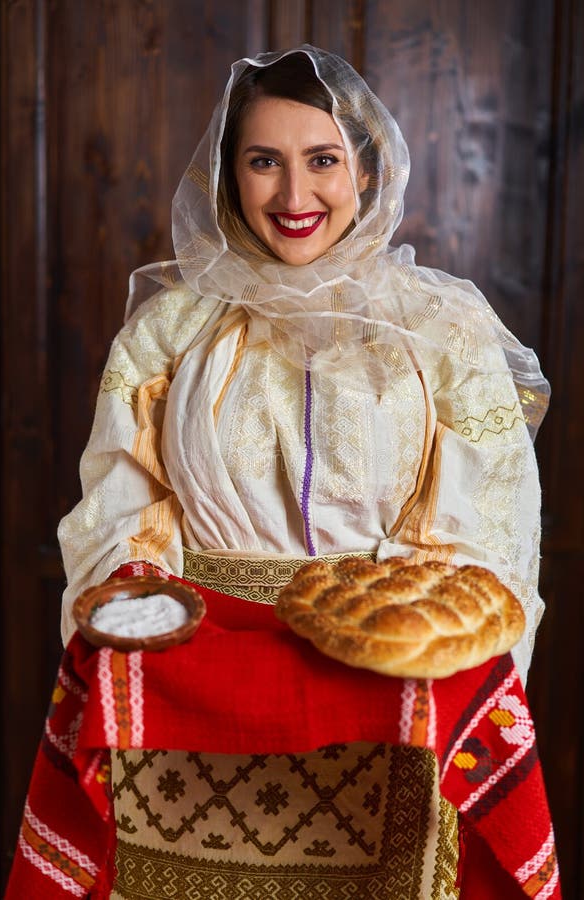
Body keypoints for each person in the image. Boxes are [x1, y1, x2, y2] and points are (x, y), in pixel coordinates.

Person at [54, 45, 549, 898]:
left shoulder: (445, 330)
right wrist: (143, 606)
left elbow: (490, 532)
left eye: (321, 160)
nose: (293, 196)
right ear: (227, 175)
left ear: (368, 167)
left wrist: (394, 624)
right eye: (262, 162)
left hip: (389, 702)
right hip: (194, 703)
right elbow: (117, 507)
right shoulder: (169, 333)